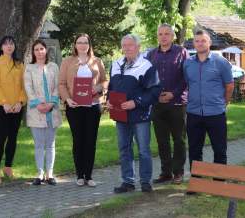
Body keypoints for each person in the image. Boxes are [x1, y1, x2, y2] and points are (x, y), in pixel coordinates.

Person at [108, 34, 161, 193]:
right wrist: (109, 100)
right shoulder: (116, 64)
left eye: (130, 45)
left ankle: (145, 181)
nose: (127, 48)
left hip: (140, 116)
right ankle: (128, 182)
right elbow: (112, 87)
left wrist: (135, 102)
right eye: (124, 45)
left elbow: (155, 91)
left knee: (143, 150)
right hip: (120, 116)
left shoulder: (147, 66)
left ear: (138, 47)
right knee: (124, 149)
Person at [59, 34, 107, 187]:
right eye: (79, 42)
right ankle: (80, 175)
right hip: (74, 107)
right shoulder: (67, 61)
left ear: (89, 44)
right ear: (75, 45)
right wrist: (67, 99)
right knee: (78, 140)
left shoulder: (97, 61)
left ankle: (89, 175)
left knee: (90, 141)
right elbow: (61, 83)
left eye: (85, 42)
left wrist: (97, 88)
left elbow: (105, 81)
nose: (82, 45)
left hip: (93, 107)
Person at [183, 30, 234, 168]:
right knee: (194, 151)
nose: (200, 43)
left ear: (209, 43)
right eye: (197, 41)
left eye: (203, 40)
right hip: (193, 114)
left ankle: (219, 183)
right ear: (194, 43)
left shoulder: (221, 62)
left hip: (216, 114)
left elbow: (229, 86)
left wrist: (224, 103)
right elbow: (188, 84)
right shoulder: (187, 63)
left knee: (219, 150)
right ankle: (196, 182)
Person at [146, 24, 188, 184]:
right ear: (157, 36)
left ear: (172, 36)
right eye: (160, 34)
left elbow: (186, 77)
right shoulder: (151, 54)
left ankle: (178, 172)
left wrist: (173, 93)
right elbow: (148, 79)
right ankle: (166, 172)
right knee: (162, 140)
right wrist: (156, 95)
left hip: (177, 103)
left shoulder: (181, 52)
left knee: (179, 139)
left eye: (167, 34)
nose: (163, 37)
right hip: (158, 104)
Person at [0, 35, 27, 185]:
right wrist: (4, 103)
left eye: (11, 43)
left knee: (13, 137)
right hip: (2, 107)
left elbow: (24, 87)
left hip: (17, 108)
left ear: (14, 46)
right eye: (5, 44)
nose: (9, 46)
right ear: (1, 47)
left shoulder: (19, 65)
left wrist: (20, 102)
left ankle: (8, 167)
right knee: (1, 138)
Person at [24, 39, 62, 186]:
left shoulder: (53, 67)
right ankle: (40, 174)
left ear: (46, 50)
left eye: (41, 49)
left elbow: (58, 86)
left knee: (51, 144)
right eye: (36, 49)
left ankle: (50, 173)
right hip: (36, 111)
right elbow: (28, 87)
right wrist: (37, 104)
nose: (39, 52)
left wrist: (52, 102)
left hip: (52, 110)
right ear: (33, 52)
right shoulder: (29, 68)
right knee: (39, 144)